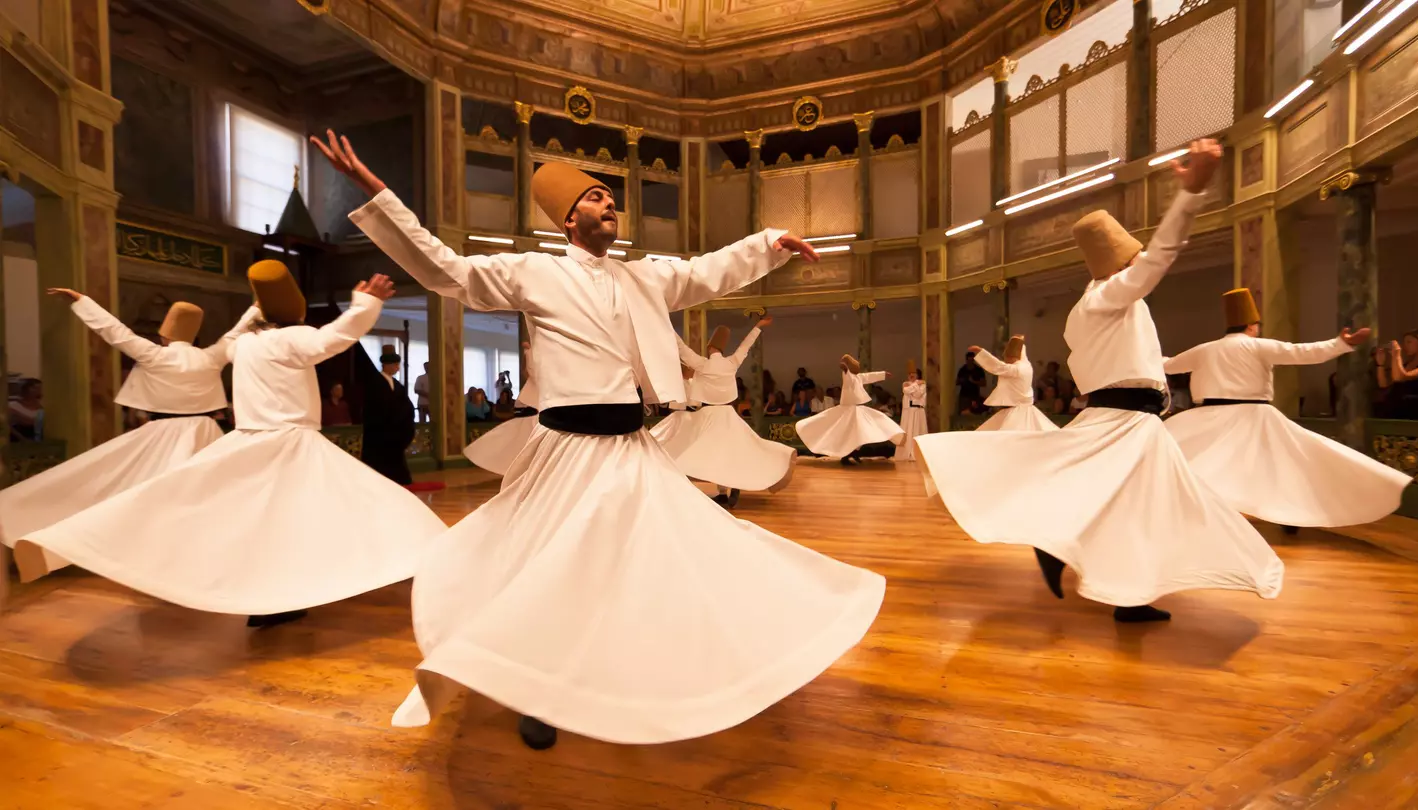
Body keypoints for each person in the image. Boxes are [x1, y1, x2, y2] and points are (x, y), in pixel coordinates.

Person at [322, 129, 883, 750]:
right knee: (550, 570)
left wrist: (769, 242)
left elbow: (706, 274)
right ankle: (534, 689)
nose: (610, 204)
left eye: (612, 198)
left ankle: (643, 664)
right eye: (595, 197)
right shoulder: (531, 272)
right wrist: (380, 198)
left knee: (665, 554)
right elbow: (445, 269)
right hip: (564, 450)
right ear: (567, 218)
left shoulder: (644, 278)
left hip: (631, 449)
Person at [916, 139, 1283, 624]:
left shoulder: (1093, 309)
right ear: (1121, 261)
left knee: (1135, 506)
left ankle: (1121, 590)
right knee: (1150, 504)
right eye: (1132, 256)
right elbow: (1158, 261)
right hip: (1126, 419)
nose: (1138, 262)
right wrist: (1190, 194)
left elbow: (1138, 358)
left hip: (1126, 416)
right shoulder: (1110, 296)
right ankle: (1087, 564)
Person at [14, 263, 446, 628]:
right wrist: (366, 304)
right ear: (293, 313)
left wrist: (82, 303)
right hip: (288, 443)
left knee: (241, 517)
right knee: (365, 505)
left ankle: (273, 598)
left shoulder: (245, 345)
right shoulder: (277, 341)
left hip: (248, 440)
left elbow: (126, 335)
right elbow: (332, 338)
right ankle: (400, 562)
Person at [2, 291, 260, 581]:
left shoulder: (155, 354)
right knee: (205, 497)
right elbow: (237, 332)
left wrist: (81, 301)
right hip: (207, 433)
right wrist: (256, 306)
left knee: (127, 490)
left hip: (165, 435)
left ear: (165, 334)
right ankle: (200, 557)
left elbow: (115, 332)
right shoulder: (211, 356)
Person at [1164, 287, 1409, 529]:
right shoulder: (1257, 346)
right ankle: (1288, 514)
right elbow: (1302, 353)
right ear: (1252, 326)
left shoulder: (1205, 349)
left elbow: (1169, 365)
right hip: (1253, 417)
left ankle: (1194, 512)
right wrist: (1339, 344)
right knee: (1282, 467)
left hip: (1209, 417)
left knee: (1200, 462)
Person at [652, 317, 796, 508]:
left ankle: (723, 491)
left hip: (710, 415)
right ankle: (727, 490)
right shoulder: (731, 363)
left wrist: (668, 327)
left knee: (714, 454)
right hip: (728, 414)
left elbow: (681, 348)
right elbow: (746, 345)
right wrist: (757, 327)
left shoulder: (702, 364)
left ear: (710, 348)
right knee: (729, 453)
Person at [795, 354, 903, 465]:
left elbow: (869, 376)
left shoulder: (858, 377)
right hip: (848, 410)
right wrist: (845, 369)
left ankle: (854, 454)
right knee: (849, 434)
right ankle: (846, 457)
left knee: (860, 432)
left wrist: (883, 374)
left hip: (856, 409)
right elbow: (847, 376)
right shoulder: (848, 376)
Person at [464, 340, 540, 476]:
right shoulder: (534, 375)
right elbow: (527, 372)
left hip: (532, 405)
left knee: (522, 438)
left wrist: (528, 354)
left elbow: (528, 372)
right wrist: (528, 354)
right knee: (519, 437)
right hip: (529, 405)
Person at [354, 342, 416, 486]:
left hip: (395, 433)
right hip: (380, 432)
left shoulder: (398, 385)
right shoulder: (375, 383)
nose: (397, 368)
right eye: (395, 364)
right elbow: (375, 407)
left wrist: (402, 420)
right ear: (387, 365)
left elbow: (406, 406)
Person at [970, 336, 1058, 432]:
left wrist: (980, 352)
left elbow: (998, 367)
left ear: (1012, 357)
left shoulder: (1017, 369)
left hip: (1018, 411)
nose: (1006, 360)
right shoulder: (1027, 366)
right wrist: (1018, 341)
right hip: (1026, 409)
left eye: (1007, 358)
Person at [1379, 328, 1418, 419]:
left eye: (1409, 342)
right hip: (1401, 412)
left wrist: (1397, 355)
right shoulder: (1406, 365)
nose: (1405, 346)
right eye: (1404, 342)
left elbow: (1402, 377)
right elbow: (1384, 384)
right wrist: (1380, 364)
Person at [892, 361, 928, 462]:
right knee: (908, 431)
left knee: (918, 431)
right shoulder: (906, 384)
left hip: (918, 410)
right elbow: (906, 390)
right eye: (909, 374)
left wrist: (914, 385)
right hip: (908, 411)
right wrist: (916, 384)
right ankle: (906, 453)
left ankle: (917, 453)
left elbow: (918, 394)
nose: (911, 375)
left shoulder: (923, 385)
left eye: (913, 373)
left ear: (918, 375)